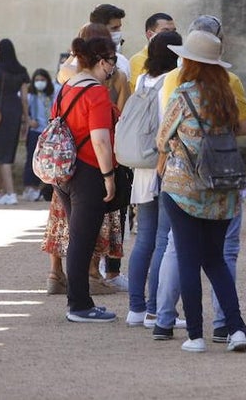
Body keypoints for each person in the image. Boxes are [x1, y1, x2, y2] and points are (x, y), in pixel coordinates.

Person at [153, 16, 246, 345]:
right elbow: (242, 128)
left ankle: (196, 336)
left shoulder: (183, 94)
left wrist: (177, 143)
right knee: (216, 259)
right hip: (222, 189)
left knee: (188, 259)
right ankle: (236, 328)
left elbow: (161, 140)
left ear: (188, 61)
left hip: (184, 188)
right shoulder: (227, 94)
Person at [57, 33, 121, 323]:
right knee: (83, 240)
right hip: (88, 170)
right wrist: (109, 175)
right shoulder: (95, 92)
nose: (113, 68)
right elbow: (100, 140)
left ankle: (80, 301)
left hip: (65, 171)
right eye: (112, 61)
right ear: (101, 61)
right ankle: (79, 305)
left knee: (77, 238)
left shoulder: (67, 86)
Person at [124, 30, 182, 327]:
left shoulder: (142, 81)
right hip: (163, 165)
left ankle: (136, 307)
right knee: (163, 239)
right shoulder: (168, 84)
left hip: (141, 169)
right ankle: (154, 309)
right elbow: (167, 129)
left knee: (144, 238)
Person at [0, 39, 30, 205]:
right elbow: (24, 98)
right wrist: (26, 119)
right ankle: (2, 191)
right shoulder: (22, 70)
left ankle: (8, 192)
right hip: (14, 112)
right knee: (7, 153)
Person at [22, 68, 55, 201]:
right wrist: (29, 121)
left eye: (42, 80)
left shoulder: (53, 95)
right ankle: (31, 187)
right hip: (35, 132)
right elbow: (24, 110)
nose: (39, 82)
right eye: (37, 80)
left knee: (48, 162)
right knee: (32, 159)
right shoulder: (31, 96)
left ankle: (45, 189)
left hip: (49, 133)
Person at [128, 12, 176, 91]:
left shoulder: (178, 57)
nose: (171, 35)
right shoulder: (139, 60)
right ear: (150, 34)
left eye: (173, 31)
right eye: (165, 31)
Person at [89, 3, 132, 79]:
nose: (119, 32)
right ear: (99, 29)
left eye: (119, 27)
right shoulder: (82, 62)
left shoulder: (123, 62)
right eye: (114, 28)